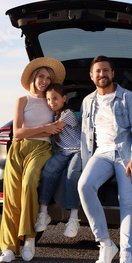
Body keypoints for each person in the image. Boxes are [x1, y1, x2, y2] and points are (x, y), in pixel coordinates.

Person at [78, 55, 132, 263]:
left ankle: (127, 256)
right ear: (91, 76)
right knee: (84, 186)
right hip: (101, 154)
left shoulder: (129, 98)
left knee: (128, 201)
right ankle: (106, 244)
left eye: (106, 70)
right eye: (98, 71)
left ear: (113, 73)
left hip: (126, 154)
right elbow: (85, 136)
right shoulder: (87, 101)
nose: (102, 75)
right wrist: (85, 163)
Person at [0, 57, 66, 263]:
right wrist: (44, 128)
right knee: (11, 196)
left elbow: (64, 123)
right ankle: (9, 248)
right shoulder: (22, 101)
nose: (44, 81)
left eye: (48, 78)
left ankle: (29, 239)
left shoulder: (51, 102)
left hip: (42, 149)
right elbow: (17, 133)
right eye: (41, 76)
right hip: (18, 150)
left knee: (28, 186)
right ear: (32, 78)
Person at [35, 83, 82, 238]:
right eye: (48, 99)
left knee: (72, 173)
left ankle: (74, 218)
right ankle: (43, 213)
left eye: (55, 98)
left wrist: (37, 128)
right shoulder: (53, 116)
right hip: (63, 153)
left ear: (63, 98)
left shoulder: (67, 113)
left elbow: (55, 128)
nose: (51, 102)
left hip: (78, 151)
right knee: (49, 169)